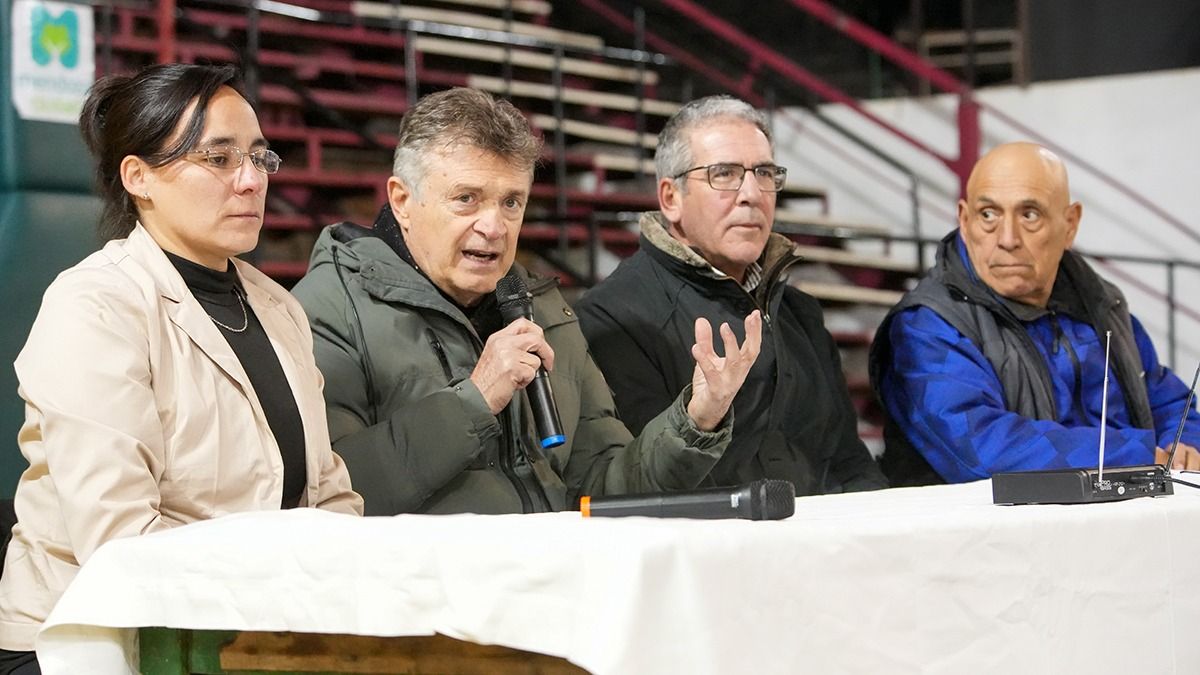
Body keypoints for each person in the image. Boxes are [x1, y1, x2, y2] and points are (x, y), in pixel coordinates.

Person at [0, 64, 362, 671]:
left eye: (258, 157)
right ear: (138, 177)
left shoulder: (280, 309)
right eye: (218, 159)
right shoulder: (95, 305)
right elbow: (121, 544)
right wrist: (282, 582)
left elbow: (332, 498)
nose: (250, 181)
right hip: (89, 640)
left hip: (250, 632)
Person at [291, 87, 761, 516]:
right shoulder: (328, 308)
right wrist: (475, 401)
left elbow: (602, 490)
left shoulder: (545, 311)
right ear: (401, 201)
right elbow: (334, 494)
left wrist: (695, 420)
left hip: (552, 584)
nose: (494, 226)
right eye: (467, 199)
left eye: (511, 202)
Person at [575, 95, 887, 496]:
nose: (752, 193)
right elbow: (636, 486)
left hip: (823, 546)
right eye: (724, 174)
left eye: (764, 172)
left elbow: (848, 460)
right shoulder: (611, 318)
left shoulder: (800, 313)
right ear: (671, 198)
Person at [871, 142, 1200, 485]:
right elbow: (984, 448)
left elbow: (1166, 400)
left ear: (1070, 224)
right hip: (991, 535)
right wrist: (1136, 454)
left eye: (1029, 215)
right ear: (964, 222)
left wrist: (1186, 444)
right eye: (988, 215)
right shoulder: (927, 326)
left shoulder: (1101, 304)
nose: (1008, 238)